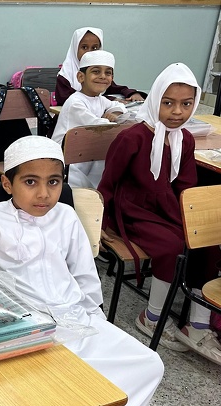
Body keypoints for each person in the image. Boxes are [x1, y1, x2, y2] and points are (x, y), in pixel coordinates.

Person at [0, 135, 164, 406]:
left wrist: (96, 320)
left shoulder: (67, 216)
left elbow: (84, 273)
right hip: (26, 327)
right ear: (7, 183)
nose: (44, 193)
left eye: (54, 182)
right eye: (31, 182)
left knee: (150, 364)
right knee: (64, 384)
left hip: (76, 315)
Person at [98, 63, 221, 364]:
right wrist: (101, 223)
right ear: (155, 100)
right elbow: (108, 184)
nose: (177, 112)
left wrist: (195, 221)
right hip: (131, 210)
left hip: (166, 207)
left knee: (205, 241)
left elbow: (186, 186)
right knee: (171, 245)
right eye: (168, 103)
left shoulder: (185, 139)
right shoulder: (133, 137)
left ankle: (198, 325)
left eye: (186, 104)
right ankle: (151, 317)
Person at [51, 50, 126, 188]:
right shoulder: (75, 102)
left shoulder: (100, 99)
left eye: (108, 73)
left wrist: (114, 113)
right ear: (81, 77)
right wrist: (110, 120)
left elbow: (119, 107)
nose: (102, 76)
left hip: (87, 155)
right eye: (96, 72)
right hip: (66, 163)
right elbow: (98, 126)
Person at [55, 27, 146, 106]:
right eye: (84, 47)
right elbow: (68, 100)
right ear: (75, 49)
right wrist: (110, 100)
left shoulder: (100, 74)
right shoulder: (65, 76)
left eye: (94, 48)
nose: (89, 52)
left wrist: (132, 94)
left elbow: (116, 88)